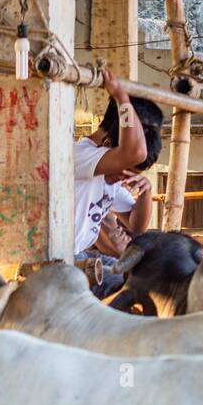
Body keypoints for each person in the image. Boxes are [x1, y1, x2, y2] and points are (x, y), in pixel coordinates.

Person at [74, 69, 162, 297]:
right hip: (64, 259)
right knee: (133, 293)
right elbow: (134, 153)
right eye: (124, 172)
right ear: (109, 142)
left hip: (82, 253)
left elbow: (135, 226)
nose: (123, 180)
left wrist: (146, 192)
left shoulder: (110, 176)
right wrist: (121, 97)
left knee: (152, 278)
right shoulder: (82, 156)